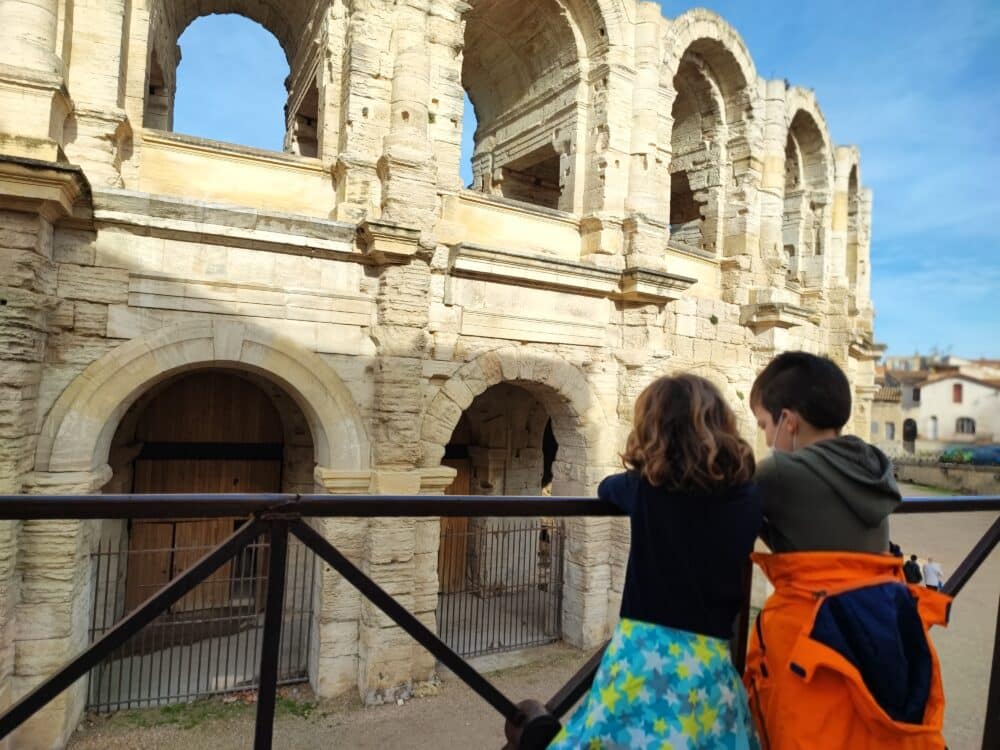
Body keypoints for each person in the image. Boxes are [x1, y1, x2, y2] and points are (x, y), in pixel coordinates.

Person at [744, 352, 950, 750]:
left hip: (813, 645)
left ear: (789, 421)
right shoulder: (873, 467)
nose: (768, 439)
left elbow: (723, 499)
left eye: (765, 425)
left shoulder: (781, 474)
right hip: (880, 623)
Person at [548, 374, 761, 750]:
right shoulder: (746, 495)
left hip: (641, 653)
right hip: (709, 657)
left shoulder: (645, 487)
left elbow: (606, 488)